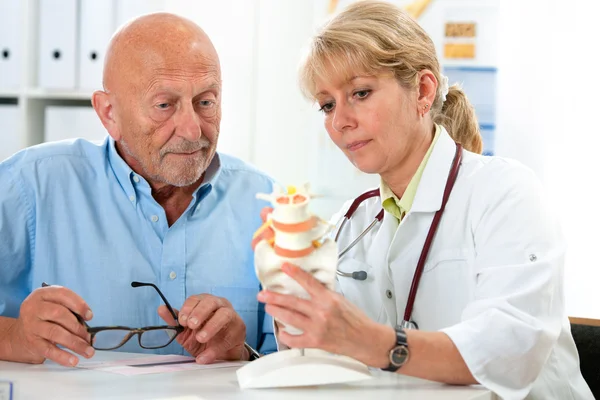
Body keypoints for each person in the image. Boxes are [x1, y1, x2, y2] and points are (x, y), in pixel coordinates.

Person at [255, 1, 594, 399]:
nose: (339, 121)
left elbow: (510, 350)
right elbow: (322, 360)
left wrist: (372, 341)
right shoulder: (351, 222)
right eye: (327, 105)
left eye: (360, 93)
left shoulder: (506, 193)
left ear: (423, 90)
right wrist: (287, 284)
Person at [0, 13, 275, 368]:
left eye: (206, 101)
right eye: (164, 105)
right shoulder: (29, 186)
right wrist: (14, 337)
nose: (192, 130)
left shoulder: (267, 203)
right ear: (109, 113)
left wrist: (241, 354)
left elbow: (298, 366)